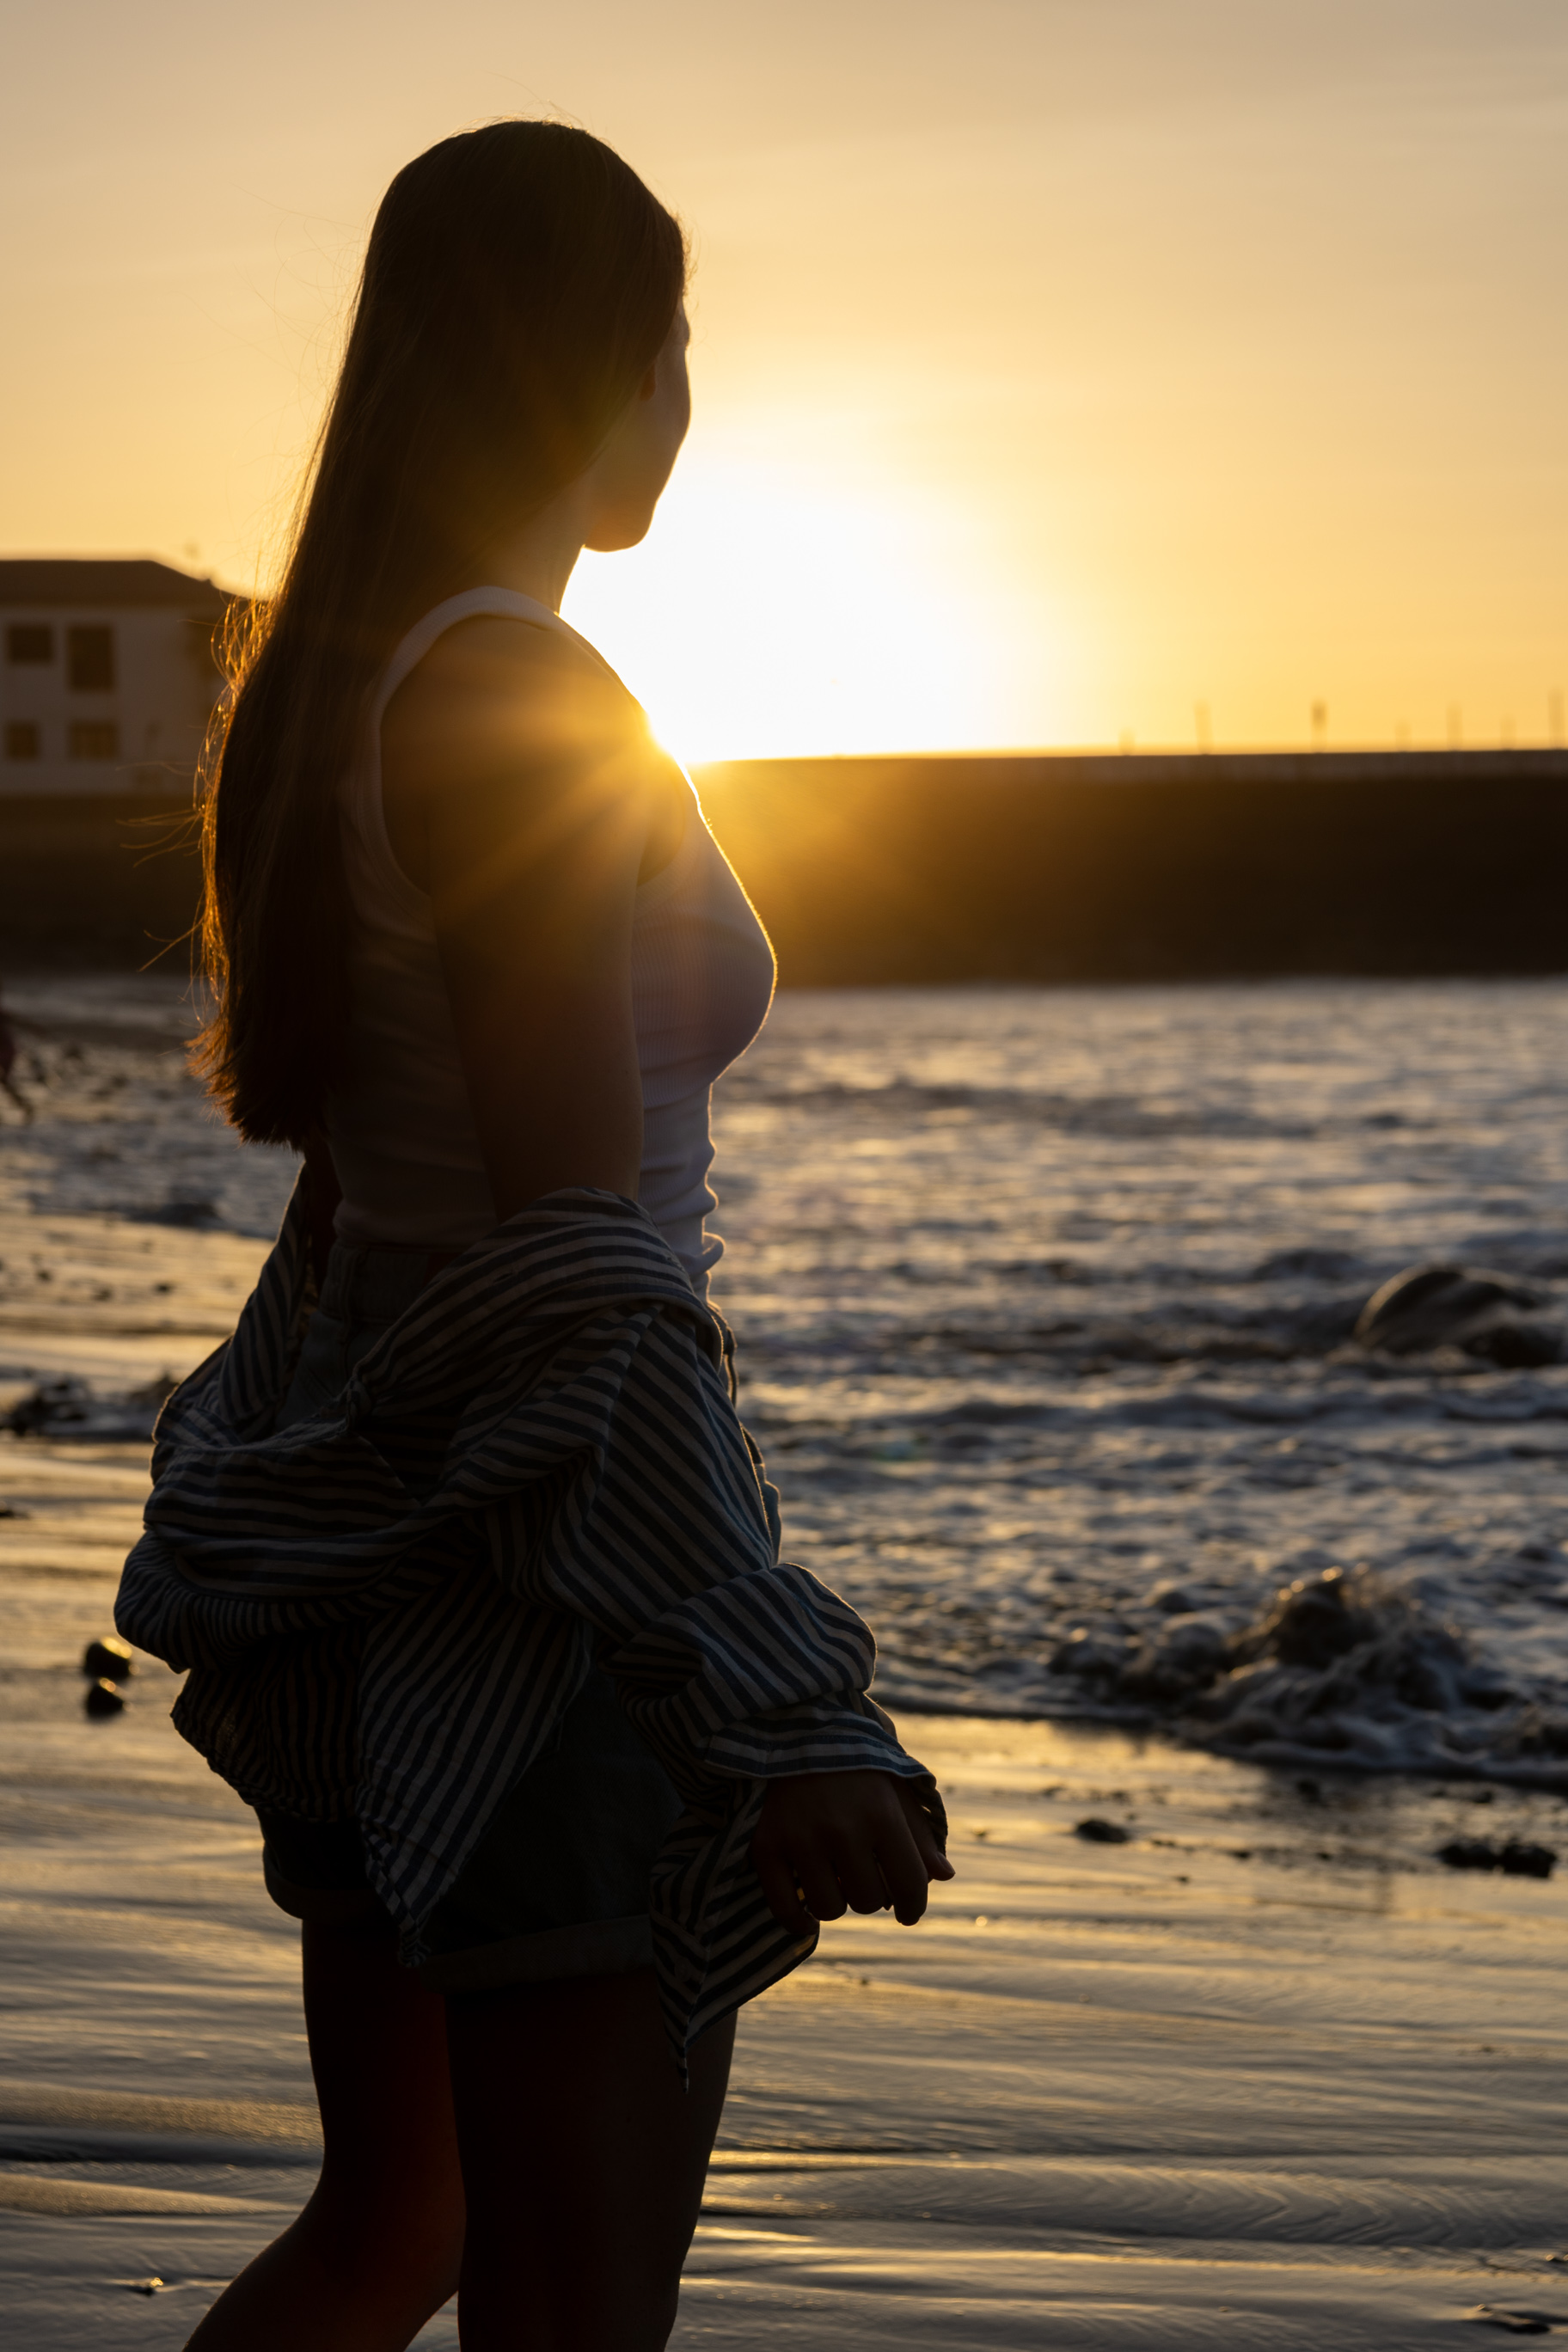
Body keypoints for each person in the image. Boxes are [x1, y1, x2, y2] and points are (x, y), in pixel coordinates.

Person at [115, 122, 952, 2352]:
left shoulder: (350, 685)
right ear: (591, 359)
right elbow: (581, 1262)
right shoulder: (515, 700)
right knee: (568, 2306)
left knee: (392, 2228)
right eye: (672, 343)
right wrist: (785, 1696)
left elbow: (353, 1205)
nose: (683, 399)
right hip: (553, 1593)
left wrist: (295, 1505)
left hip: (409, 1572)